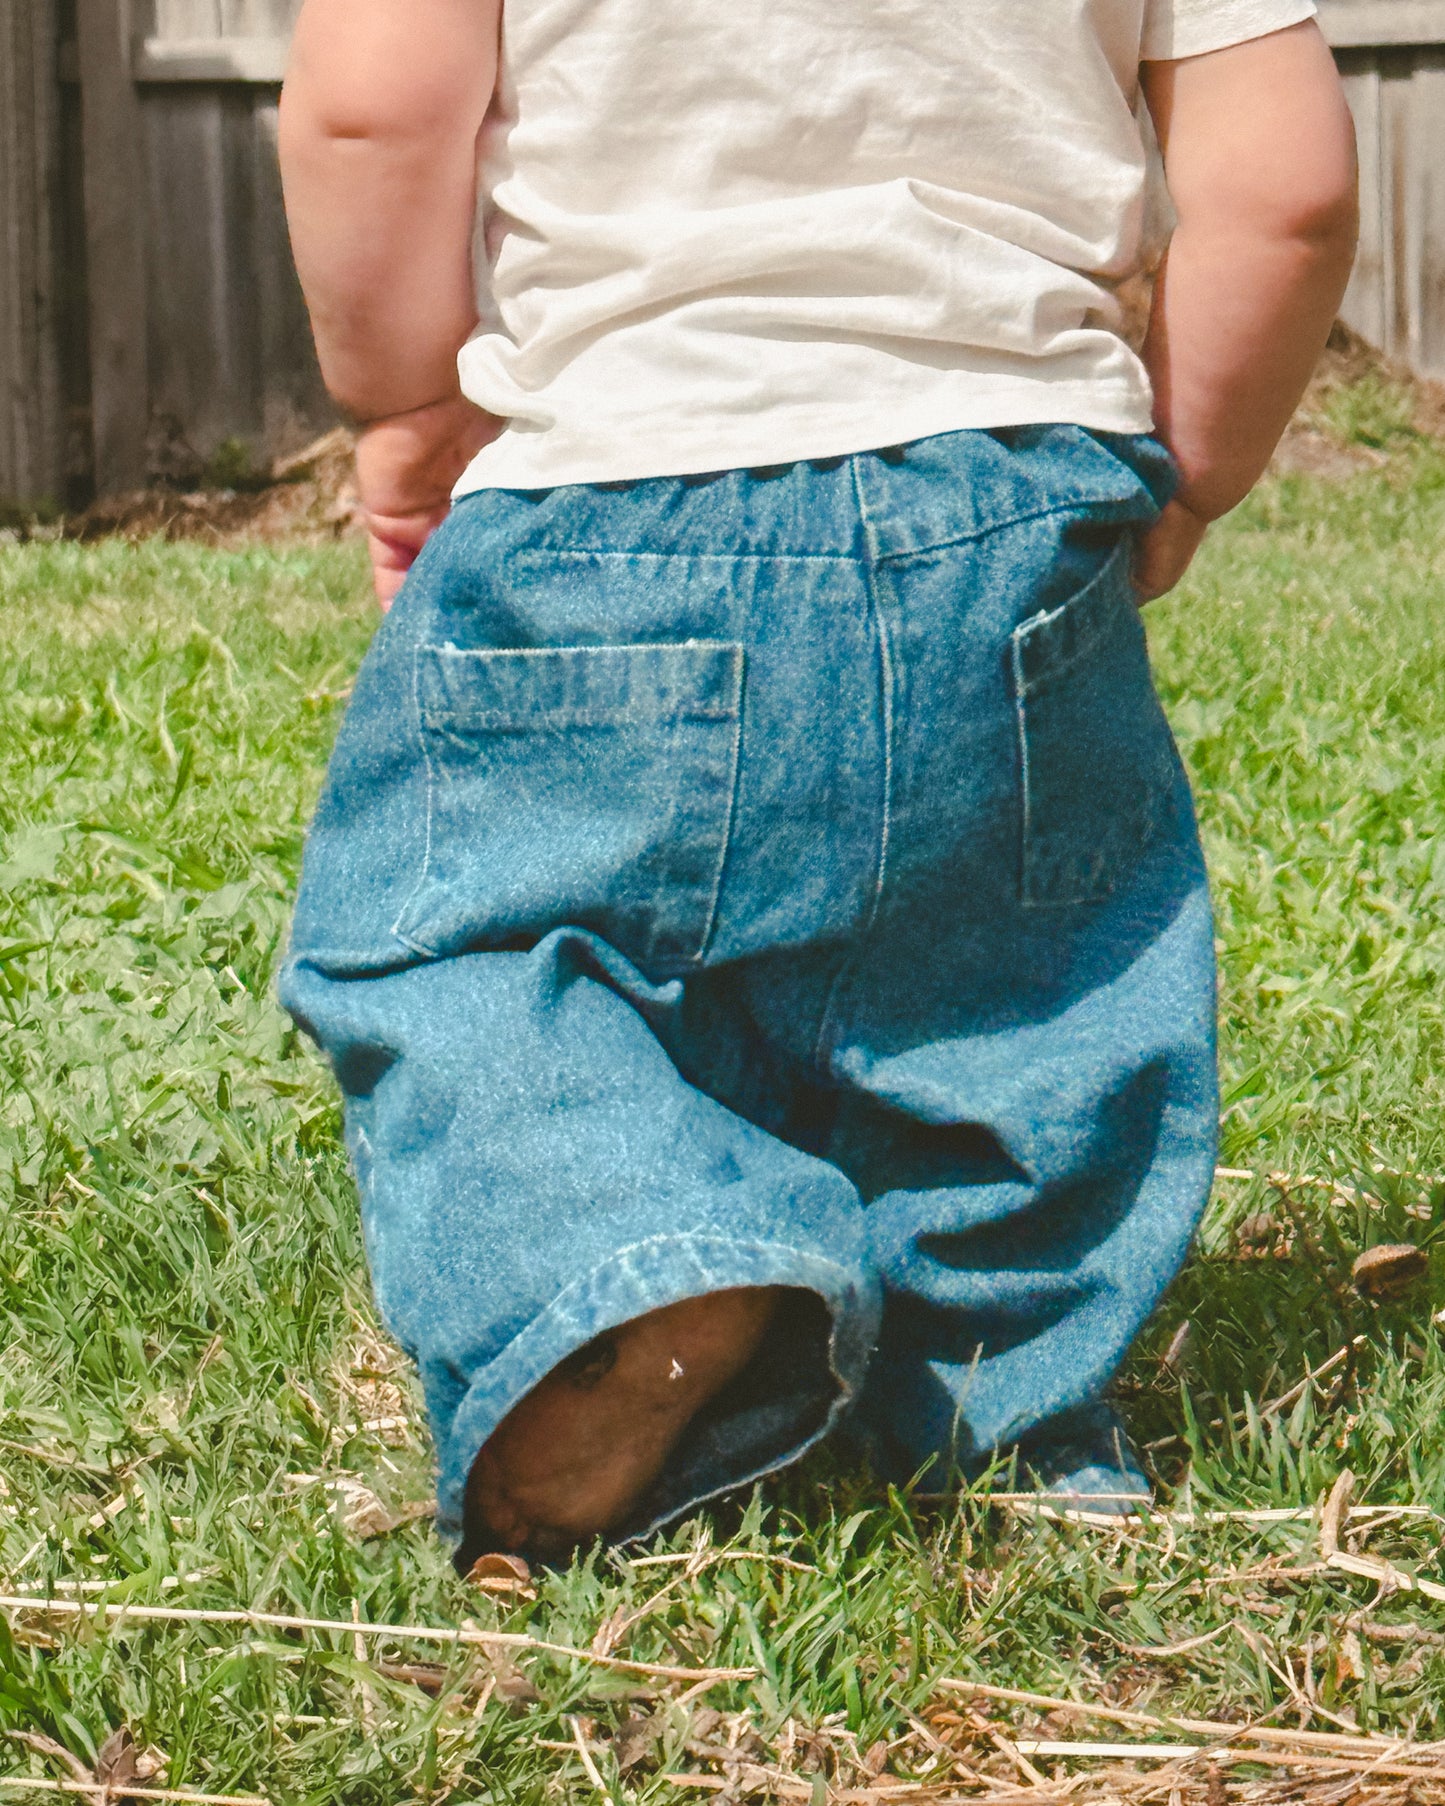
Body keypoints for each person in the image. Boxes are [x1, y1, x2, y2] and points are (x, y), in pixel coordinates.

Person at [276, 0, 1357, 1564]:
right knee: (1011, 989)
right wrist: (1192, 465)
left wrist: (403, 407)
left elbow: (369, 111)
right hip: (1002, 512)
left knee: (467, 951)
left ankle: (626, 1249)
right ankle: (1005, 1417)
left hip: (608, 494)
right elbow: (1291, 189)